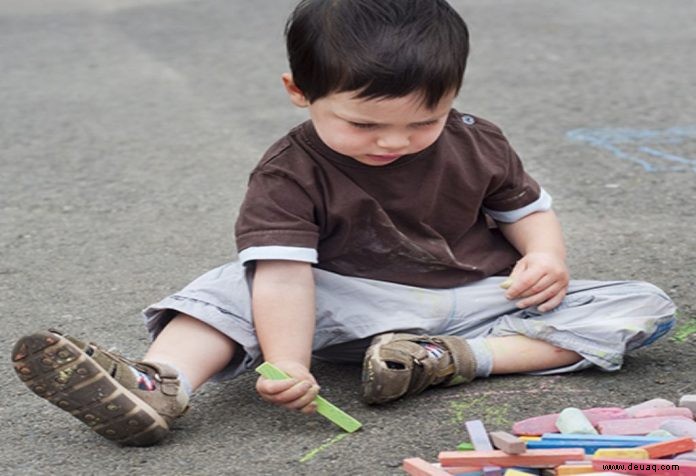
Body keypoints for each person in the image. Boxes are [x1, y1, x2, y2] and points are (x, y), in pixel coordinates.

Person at [12, 0, 676, 447]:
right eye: (363, 124)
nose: (395, 142)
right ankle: (159, 386)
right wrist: (287, 363)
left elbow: (525, 212)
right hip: (348, 300)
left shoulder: (481, 141)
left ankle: (446, 363)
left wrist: (546, 256)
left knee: (641, 304)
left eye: (424, 120)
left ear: (454, 94)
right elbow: (282, 277)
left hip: (483, 304)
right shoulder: (288, 171)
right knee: (226, 288)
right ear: (299, 91)